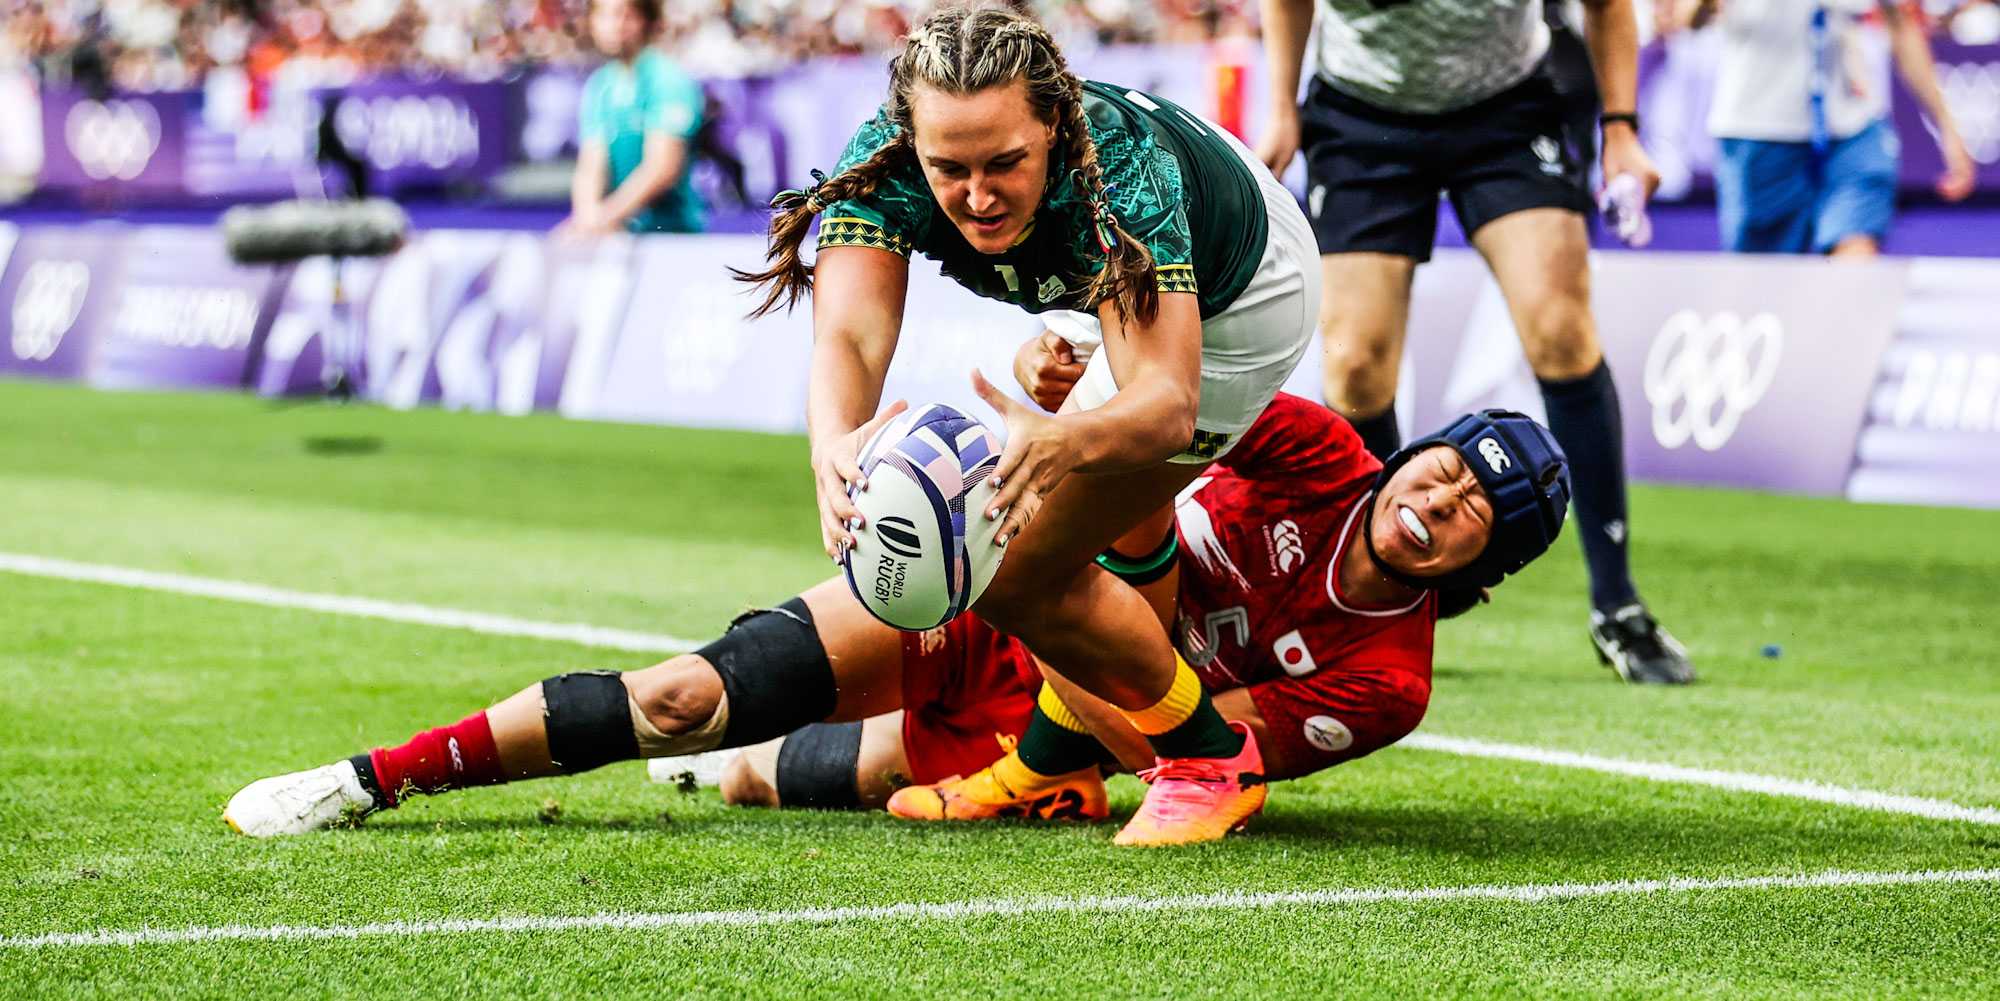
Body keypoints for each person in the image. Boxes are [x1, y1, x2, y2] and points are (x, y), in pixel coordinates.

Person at [221, 396, 1572, 837]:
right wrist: (1058, 391)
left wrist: (1116, 590)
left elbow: (1192, 752)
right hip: (994, 598)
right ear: (1412, 453)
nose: (1437, 499)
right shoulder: (1317, 447)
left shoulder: (1389, 682)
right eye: (1444, 468)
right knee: (686, 697)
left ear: (1483, 563)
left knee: (776, 779)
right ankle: (369, 777)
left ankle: (763, 767)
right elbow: (1147, 411)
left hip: (1063, 711)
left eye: (1473, 512)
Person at [733, 5, 1322, 844]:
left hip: (1246, 295)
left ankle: (1209, 760)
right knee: (1037, 539)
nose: (977, 197)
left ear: (1052, 123)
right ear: (912, 141)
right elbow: (850, 337)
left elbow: (1165, 404)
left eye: (1004, 163)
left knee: (1010, 565)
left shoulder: (1121, 174)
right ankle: (1054, 767)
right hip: (1111, 275)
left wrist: (1066, 438)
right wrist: (832, 446)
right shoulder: (885, 160)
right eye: (949, 169)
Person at [1255, 0, 1696, 685]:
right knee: (1355, 367)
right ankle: (1386, 604)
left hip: (1507, 110)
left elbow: (1607, 5)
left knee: (1562, 331)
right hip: (1360, 114)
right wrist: (1282, 105)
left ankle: (1618, 604)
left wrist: (1621, 130)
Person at [1686, 0, 1976, 255]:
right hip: (1761, 129)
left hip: (1853, 124)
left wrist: (1948, 127)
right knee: (1762, 278)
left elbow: (1900, 25)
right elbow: (1688, 16)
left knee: (1856, 251)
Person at [555, 0, 707, 238]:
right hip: (620, 234)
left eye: (624, 15)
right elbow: (591, 164)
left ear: (645, 20)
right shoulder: (600, 85)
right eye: (603, 15)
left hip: (670, 235)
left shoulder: (667, 79)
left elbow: (662, 167)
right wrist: (587, 217)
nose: (614, 26)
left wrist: (603, 218)